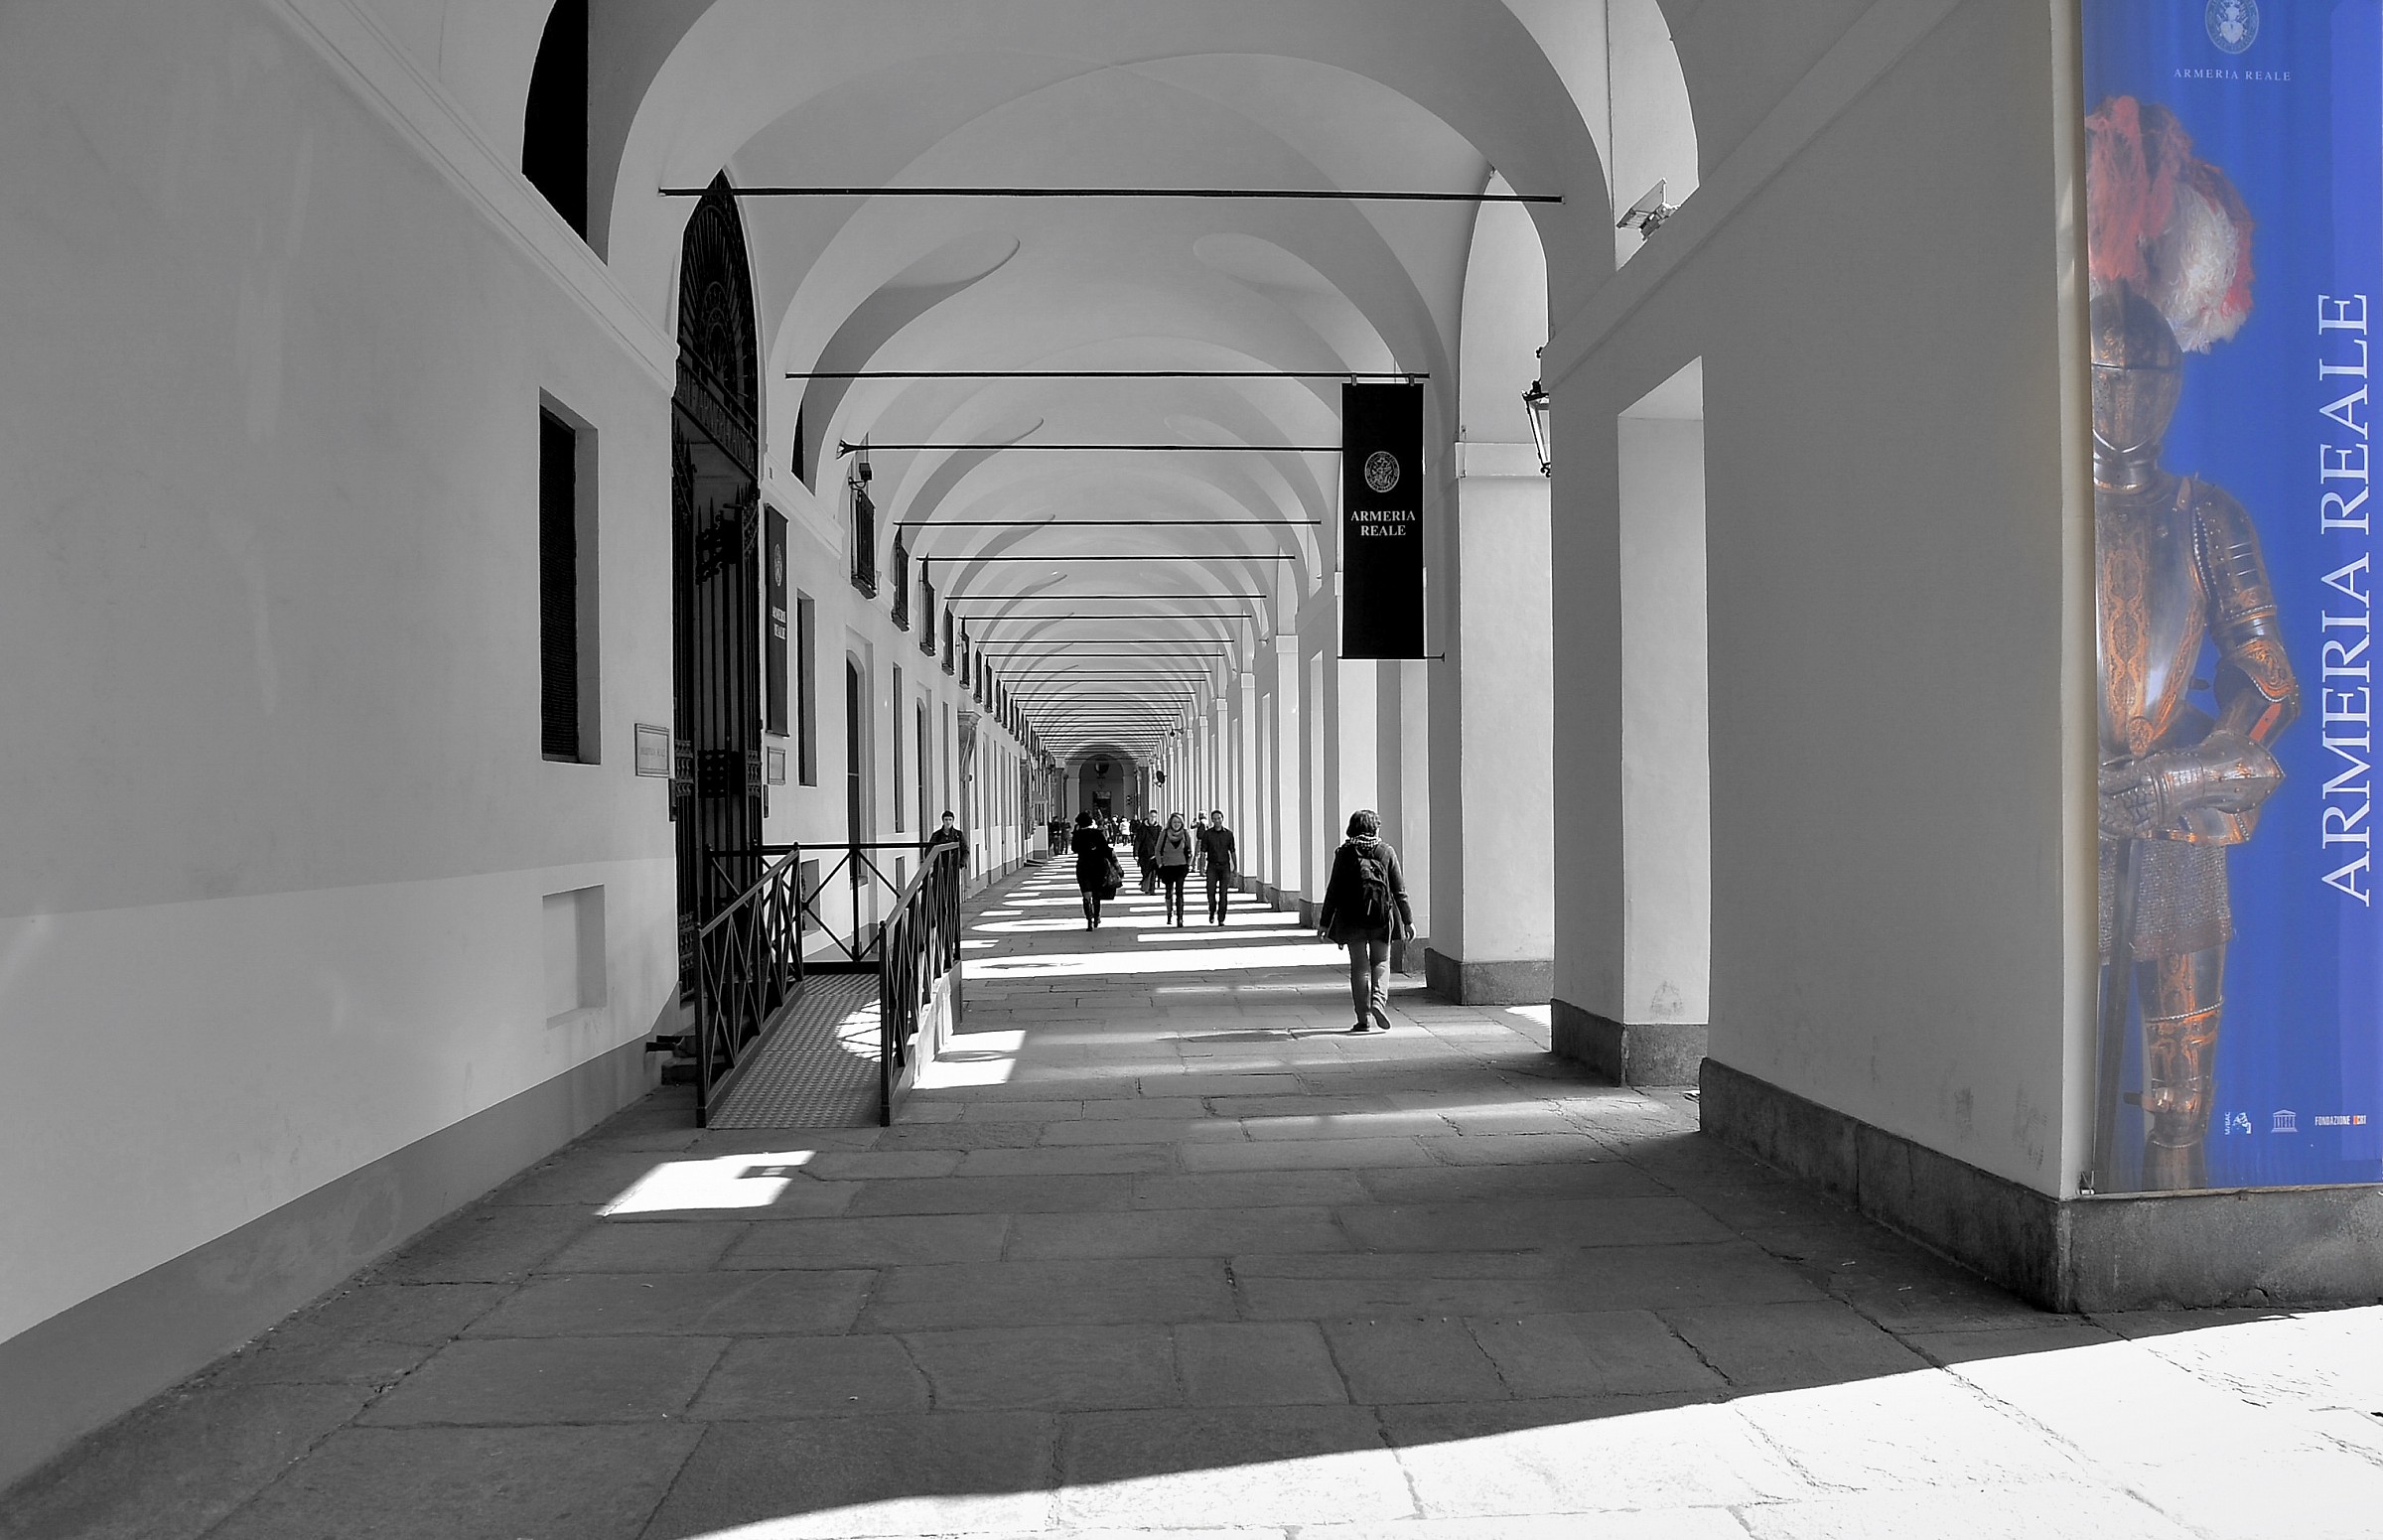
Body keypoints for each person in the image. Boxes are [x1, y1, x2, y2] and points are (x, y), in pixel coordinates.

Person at [1316, 809, 1413, 1034]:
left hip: (1352, 919)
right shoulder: (1386, 851)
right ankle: (1378, 1002)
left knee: (1359, 968)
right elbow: (1399, 891)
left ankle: (1363, 1019)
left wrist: (1324, 923)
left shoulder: (1344, 854)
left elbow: (1334, 890)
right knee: (1381, 962)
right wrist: (1407, 921)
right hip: (1381, 917)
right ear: (1375, 828)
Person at [1070, 810, 1116, 930]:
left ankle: (1089, 921)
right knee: (1096, 893)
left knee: (1086, 894)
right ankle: (1096, 917)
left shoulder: (1078, 835)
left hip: (1083, 866)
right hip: (1098, 866)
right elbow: (1106, 849)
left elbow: (1074, 848)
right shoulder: (1097, 833)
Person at [1195, 808, 1237, 925]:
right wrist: (1201, 867)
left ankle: (1221, 917)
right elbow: (1203, 852)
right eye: (1214, 819)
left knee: (1223, 893)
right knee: (1210, 892)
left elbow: (1232, 851)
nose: (1217, 821)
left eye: (1219, 818)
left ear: (1222, 819)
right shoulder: (1208, 834)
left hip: (1225, 866)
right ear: (1211, 820)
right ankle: (1212, 910)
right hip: (1212, 866)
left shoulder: (1229, 834)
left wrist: (1236, 867)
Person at [1154, 812, 1194, 925]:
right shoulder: (1165, 833)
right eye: (1174, 822)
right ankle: (1169, 913)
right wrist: (1160, 864)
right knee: (1168, 891)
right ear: (1170, 823)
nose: (1176, 824)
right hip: (1167, 866)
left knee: (1179, 892)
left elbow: (1190, 850)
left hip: (1181, 866)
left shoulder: (1185, 834)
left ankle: (1180, 917)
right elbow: (1157, 850)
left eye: (1178, 822)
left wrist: (1188, 864)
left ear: (1182, 823)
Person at [1131, 809, 1162, 895]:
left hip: (1155, 854)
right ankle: (1146, 885)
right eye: (1151, 816)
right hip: (1144, 854)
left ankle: (1151, 889)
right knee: (1145, 871)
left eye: (1154, 817)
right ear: (1148, 816)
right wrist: (1136, 854)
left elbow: (1161, 841)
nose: (1152, 818)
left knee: (1153, 872)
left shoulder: (1159, 828)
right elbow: (1137, 841)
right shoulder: (1142, 828)